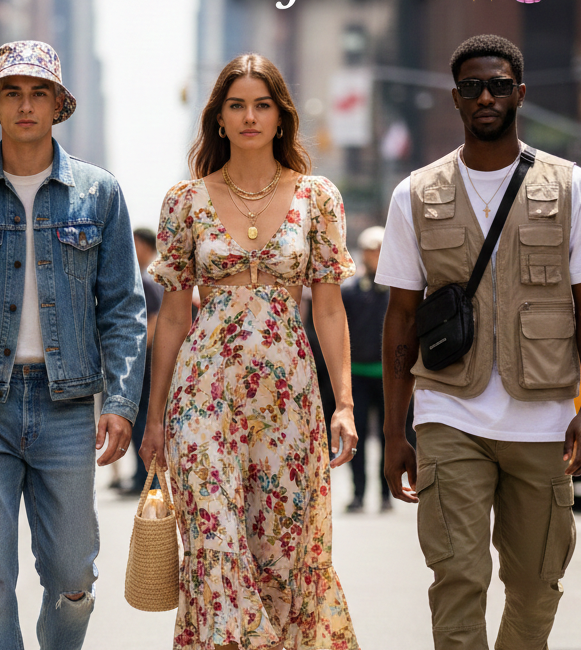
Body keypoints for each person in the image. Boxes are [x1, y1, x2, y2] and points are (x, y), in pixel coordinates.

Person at [378, 35, 581, 650]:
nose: (484, 96)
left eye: (496, 86)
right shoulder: (414, 193)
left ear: (519, 94)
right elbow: (401, 319)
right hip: (448, 413)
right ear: (455, 99)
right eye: (470, 87)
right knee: (458, 576)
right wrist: (393, 431)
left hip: (542, 421)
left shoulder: (572, 188)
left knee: (538, 584)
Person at [0, 40, 146, 650]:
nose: (25, 105)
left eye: (37, 91)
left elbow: (124, 308)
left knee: (74, 576)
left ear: (57, 103)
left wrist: (121, 402)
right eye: (11, 92)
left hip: (67, 405)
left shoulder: (99, 195)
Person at [139, 53, 360, 650]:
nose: (249, 116)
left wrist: (343, 402)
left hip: (287, 396)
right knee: (215, 551)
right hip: (202, 396)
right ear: (218, 118)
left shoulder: (317, 197)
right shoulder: (185, 200)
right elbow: (173, 317)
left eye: (262, 104)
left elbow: (330, 308)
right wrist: (155, 418)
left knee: (283, 560)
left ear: (282, 116)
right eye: (236, 104)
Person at [341, 226, 393, 513]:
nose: (376, 256)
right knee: (356, 438)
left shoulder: (399, 289)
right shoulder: (349, 290)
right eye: (371, 250)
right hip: (357, 376)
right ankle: (358, 494)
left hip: (389, 378)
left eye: (380, 249)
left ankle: (386, 494)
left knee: (390, 437)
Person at [118, 227, 164, 495]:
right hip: (152, 363)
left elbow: (155, 322)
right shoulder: (156, 276)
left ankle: (145, 479)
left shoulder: (145, 280)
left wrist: (131, 349)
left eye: (134, 245)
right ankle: (143, 477)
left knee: (142, 421)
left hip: (144, 364)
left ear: (146, 247)